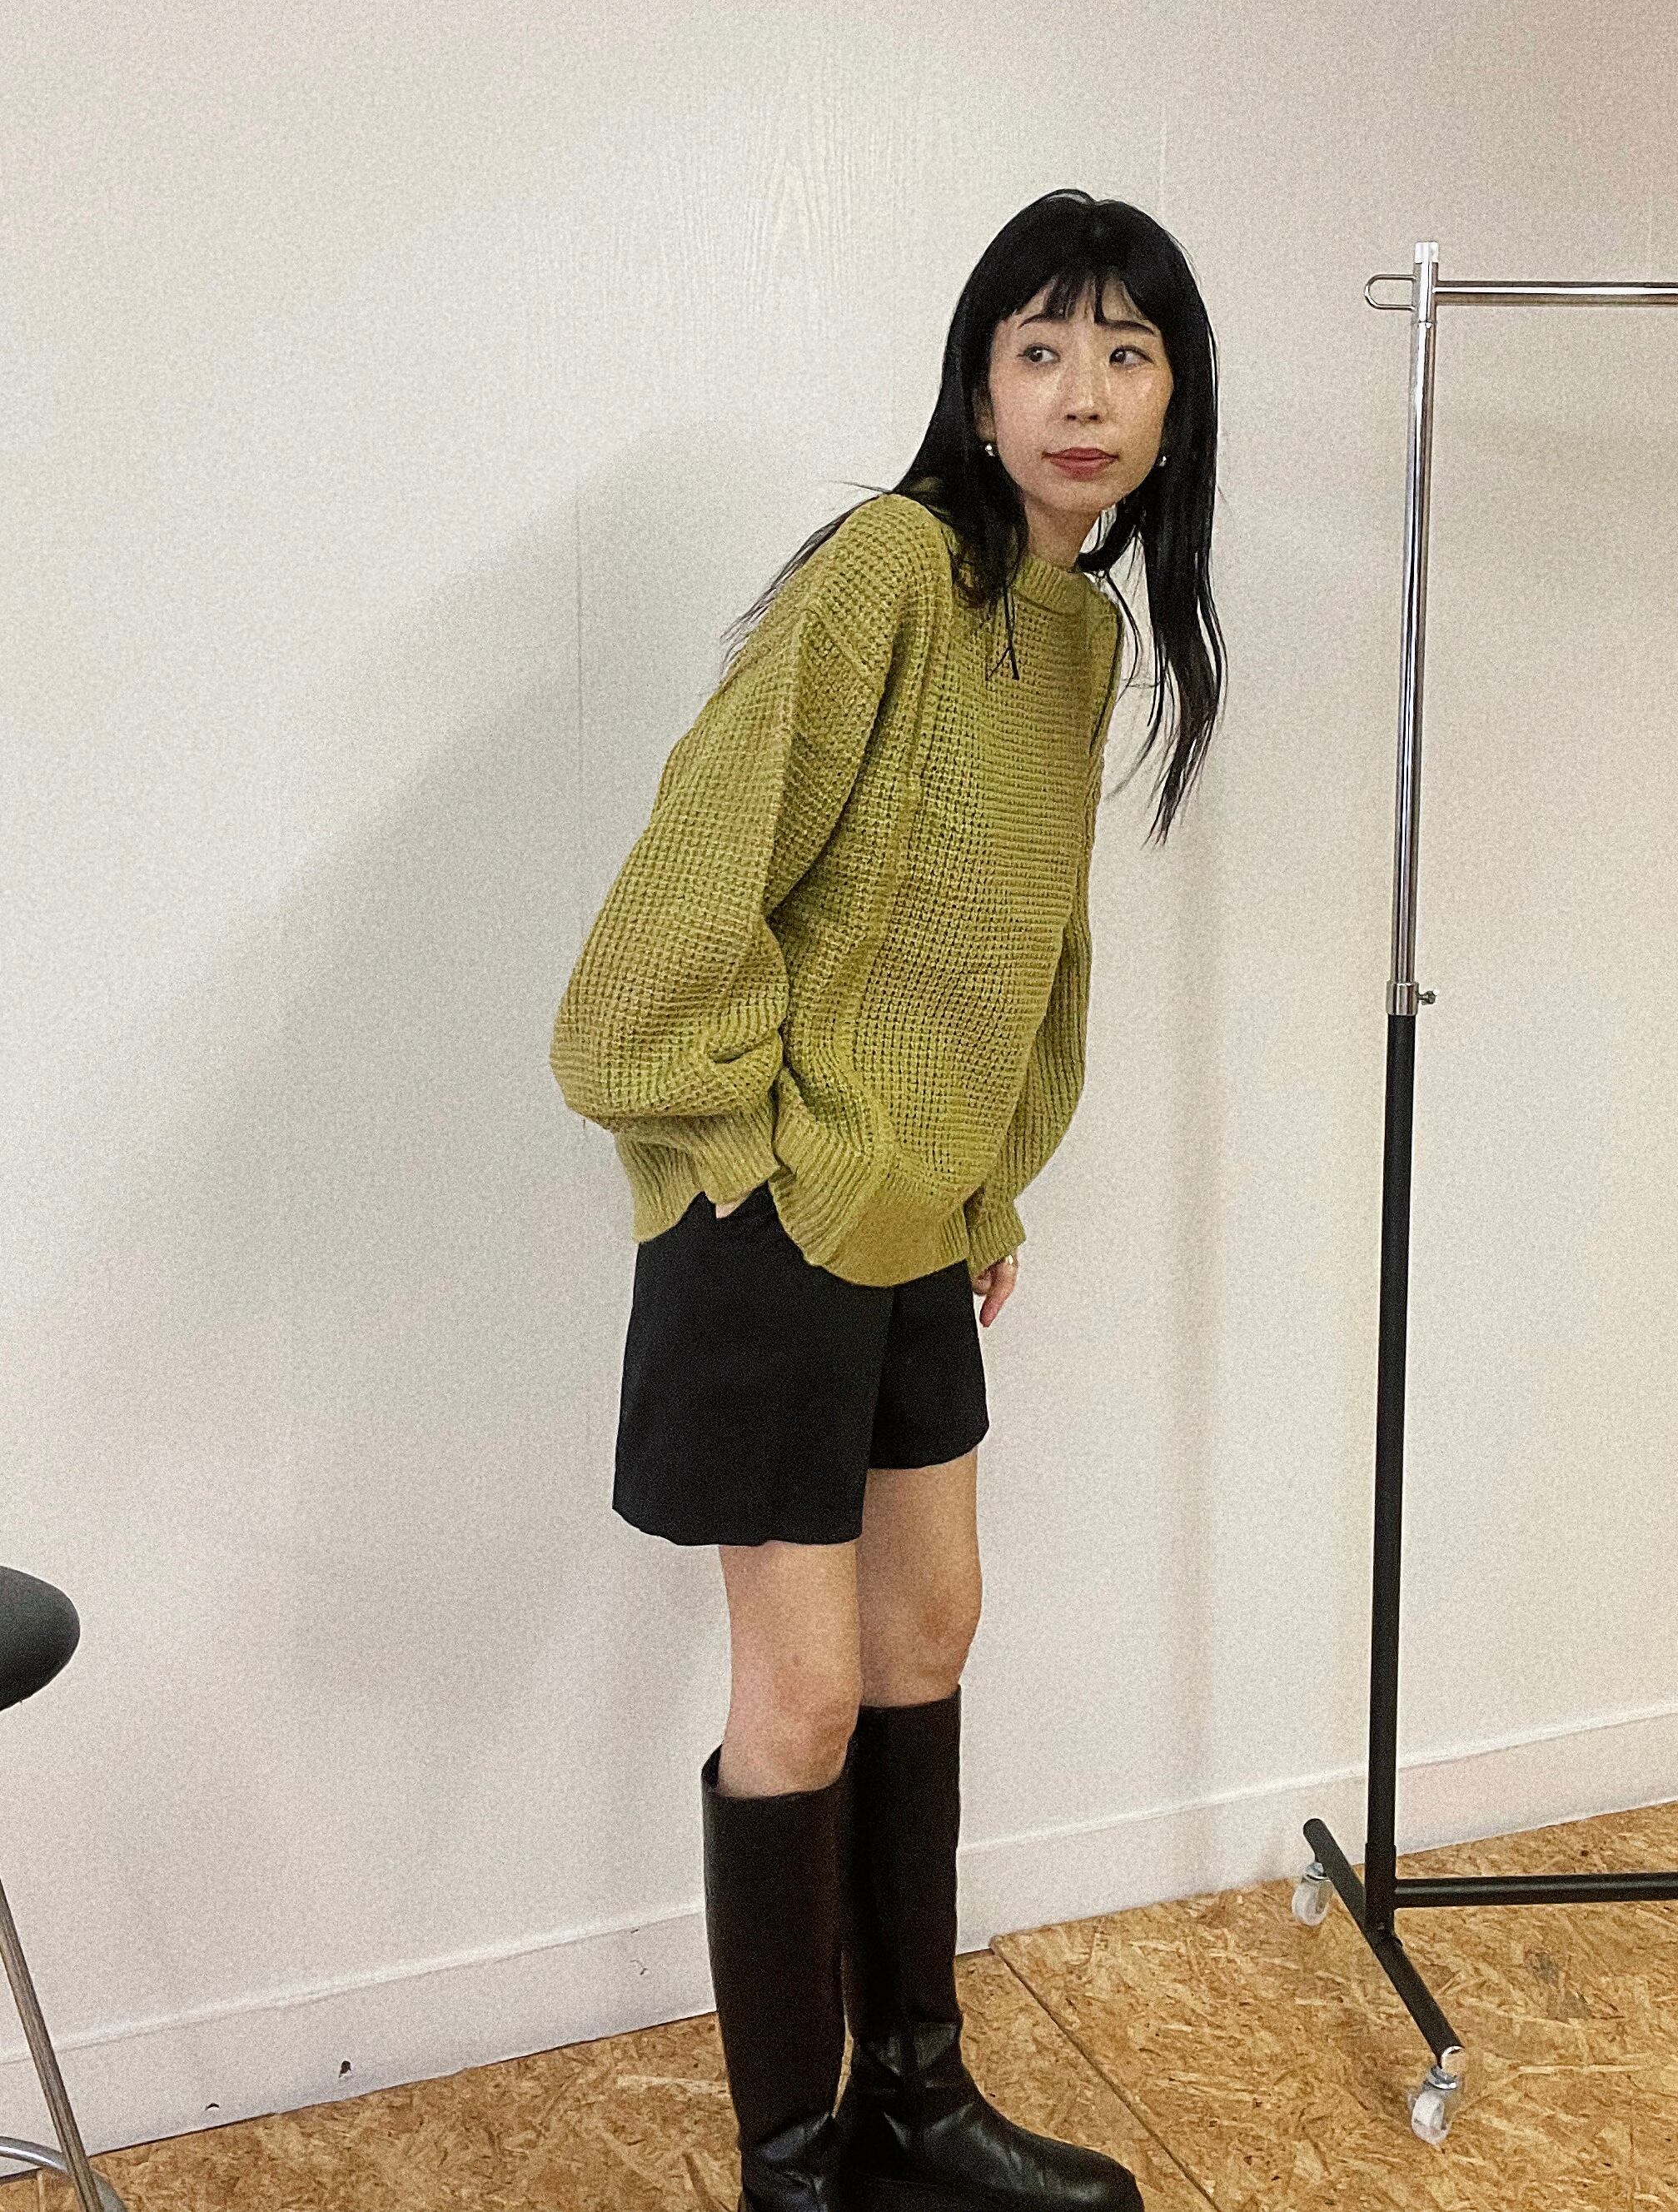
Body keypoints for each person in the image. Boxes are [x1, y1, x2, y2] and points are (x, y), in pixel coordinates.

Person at [549, 187, 1226, 2212]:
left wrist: (989, 1183)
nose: (1082, 392)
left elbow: (1027, 947)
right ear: (978, 386)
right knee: (808, 1688)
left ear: (1176, 406)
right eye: (1041, 348)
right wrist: (750, 1162)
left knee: (933, 1626)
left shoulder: (1080, 633)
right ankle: (795, 2165)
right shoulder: (891, 575)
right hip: (771, 1220)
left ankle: (914, 2105)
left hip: (921, 1224)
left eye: (1125, 353)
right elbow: (678, 906)